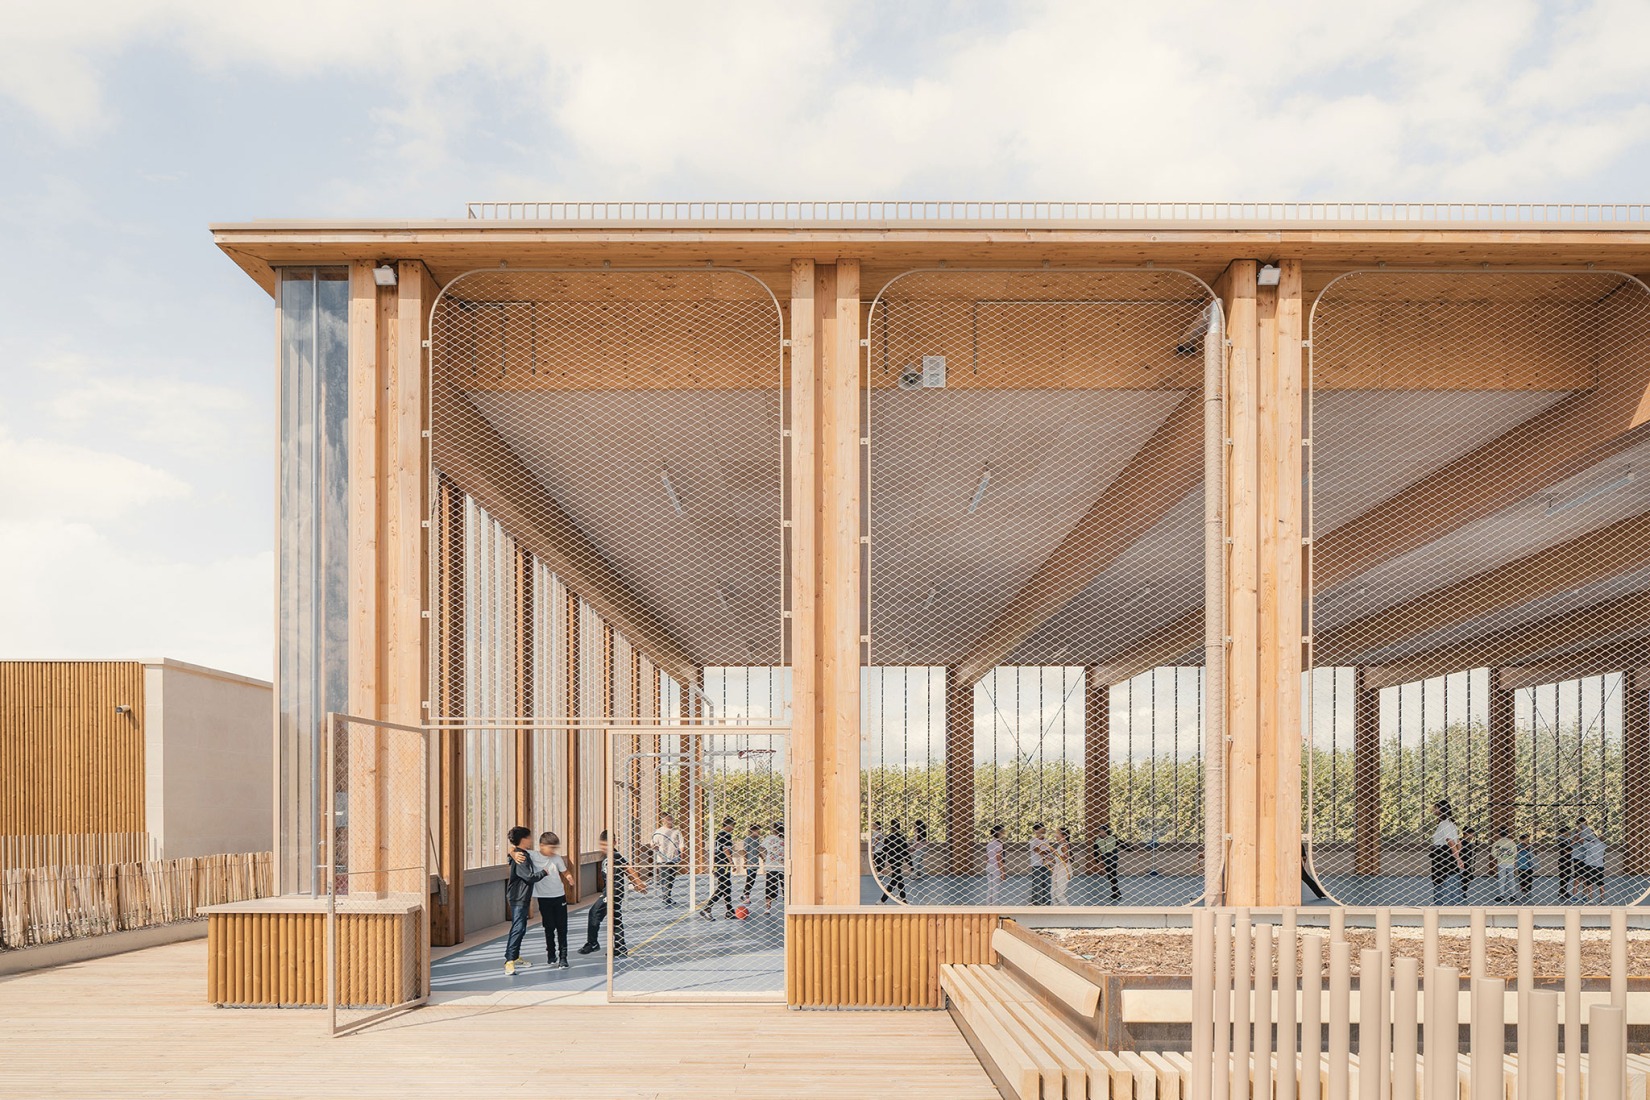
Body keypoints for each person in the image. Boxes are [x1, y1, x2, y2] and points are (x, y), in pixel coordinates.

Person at [579, 829, 647, 957]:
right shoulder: (606, 856)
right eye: (603, 845)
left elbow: (628, 869)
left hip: (613, 891)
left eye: (608, 844)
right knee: (615, 917)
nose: (605, 847)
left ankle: (592, 943)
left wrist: (638, 883)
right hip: (612, 890)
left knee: (594, 912)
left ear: (615, 842)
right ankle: (621, 946)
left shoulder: (615, 855)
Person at [503, 825, 548, 975]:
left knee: (520, 927)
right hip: (518, 896)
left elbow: (511, 853)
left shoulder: (520, 853)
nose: (531, 840)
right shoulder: (520, 856)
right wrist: (544, 872)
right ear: (523, 839)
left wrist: (511, 852)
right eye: (529, 837)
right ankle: (509, 960)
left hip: (522, 895)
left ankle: (514, 957)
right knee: (518, 927)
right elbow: (529, 877)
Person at [531, 831, 576, 968]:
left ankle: (563, 957)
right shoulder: (533, 855)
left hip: (559, 896)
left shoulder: (556, 859)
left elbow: (565, 871)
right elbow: (513, 850)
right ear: (541, 845)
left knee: (562, 927)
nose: (553, 851)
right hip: (544, 898)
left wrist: (569, 878)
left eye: (555, 848)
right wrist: (514, 854)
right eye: (550, 848)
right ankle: (551, 954)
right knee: (548, 927)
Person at [700, 816, 737, 920]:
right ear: (729, 825)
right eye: (733, 826)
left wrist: (714, 864)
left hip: (718, 864)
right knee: (723, 887)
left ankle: (729, 911)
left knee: (727, 887)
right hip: (723, 865)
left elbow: (715, 851)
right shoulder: (726, 835)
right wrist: (732, 863)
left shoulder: (719, 835)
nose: (733, 828)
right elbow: (726, 849)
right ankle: (707, 909)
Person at [1429, 801, 1464, 906]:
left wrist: (1457, 858)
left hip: (1442, 854)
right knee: (1452, 877)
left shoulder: (1444, 824)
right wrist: (1457, 855)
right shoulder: (1451, 823)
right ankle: (1452, 902)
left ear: (1440, 809)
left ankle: (1440, 904)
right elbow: (1458, 843)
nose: (1434, 810)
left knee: (1440, 880)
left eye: (1435, 808)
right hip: (1449, 854)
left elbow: (1451, 841)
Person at [650, 813, 684, 906]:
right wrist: (654, 847)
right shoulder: (658, 831)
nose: (670, 821)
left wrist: (681, 854)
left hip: (673, 858)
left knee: (671, 878)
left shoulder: (676, 831)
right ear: (663, 821)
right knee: (665, 877)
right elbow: (653, 844)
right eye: (667, 819)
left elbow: (681, 843)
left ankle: (667, 895)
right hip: (663, 858)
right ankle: (666, 897)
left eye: (671, 819)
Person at [879, 819, 911, 903]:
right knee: (897, 878)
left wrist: (881, 865)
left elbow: (884, 851)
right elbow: (905, 851)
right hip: (899, 860)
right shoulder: (901, 837)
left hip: (892, 860)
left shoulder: (888, 837)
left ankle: (902, 899)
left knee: (897, 877)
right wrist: (910, 863)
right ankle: (883, 900)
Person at [1577, 819, 1606, 903]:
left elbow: (1580, 840)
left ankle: (1590, 898)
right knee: (1600, 883)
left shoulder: (1590, 845)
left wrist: (1579, 832)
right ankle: (1602, 899)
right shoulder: (1603, 845)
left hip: (1590, 865)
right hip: (1600, 866)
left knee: (1590, 883)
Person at [1093, 823, 1123, 901]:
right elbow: (1095, 852)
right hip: (1105, 858)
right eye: (1099, 831)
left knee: (1112, 875)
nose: (1100, 833)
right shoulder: (1097, 840)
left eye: (1102, 831)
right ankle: (1116, 892)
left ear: (1106, 831)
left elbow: (1122, 844)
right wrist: (1098, 862)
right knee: (1111, 876)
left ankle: (1116, 893)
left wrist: (1130, 848)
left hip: (1113, 857)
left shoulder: (1113, 838)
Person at [760, 821, 785, 914]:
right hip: (783, 866)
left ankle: (768, 908)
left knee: (770, 887)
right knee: (785, 887)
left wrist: (764, 858)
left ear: (774, 829)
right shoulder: (786, 839)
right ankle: (787, 905)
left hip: (771, 866)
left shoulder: (769, 838)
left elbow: (761, 848)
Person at [1028, 823, 1054, 906]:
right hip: (1037, 864)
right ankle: (1034, 902)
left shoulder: (1046, 840)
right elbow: (1037, 850)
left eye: (1044, 828)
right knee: (1037, 883)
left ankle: (1046, 902)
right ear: (1036, 831)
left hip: (1046, 864)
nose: (1044, 830)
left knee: (1047, 883)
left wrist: (1050, 859)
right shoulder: (1033, 840)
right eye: (1042, 829)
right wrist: (1044, 853)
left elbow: (1048, 851)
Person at [1492, 827, 1517, 903]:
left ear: (1499, 833)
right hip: (1510, 863)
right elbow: (1515, 853)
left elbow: (1493, 853)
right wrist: (1511, 858)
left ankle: (1501, 895)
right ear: (1508, 833)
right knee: (1511, 878)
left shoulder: (1497, 843)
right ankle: (1513, 895)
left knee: (1501, 879)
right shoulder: (1512, 842)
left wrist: (1500, 857)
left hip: (1501, 862)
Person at [984, 823, 1007, 905]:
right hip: (996, 867)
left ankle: (988, 905)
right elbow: (999, 858)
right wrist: (1003, 871)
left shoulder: (989, 844)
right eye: (1003, 831)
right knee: (996, 888)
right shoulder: (999, 844)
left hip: (989, 866)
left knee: (990, 887)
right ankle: (995, 906)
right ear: (999, 833)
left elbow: (987, 857)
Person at [1051, 826, 1073, 905]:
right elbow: (1057, 860)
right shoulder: (1060, 846)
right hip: (1058, 869)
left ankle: (1068, 912)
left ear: (1064, 836)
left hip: (1063, 870)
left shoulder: (1064, 846)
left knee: (1059, 894)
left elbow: (1065, 859)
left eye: (1058, 834)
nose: (1056, 835)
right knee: (1053, 893)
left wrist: (1055, 852)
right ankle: (1054, 911)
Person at [741, 823, 762, 904]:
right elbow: (744, 851)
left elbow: (757, 850)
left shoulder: (757, 839)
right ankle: (745, 896)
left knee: (752, 880)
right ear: (753, 831)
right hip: (750, 863)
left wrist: (762, 858)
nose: (759, 832)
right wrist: (745, 862)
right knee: (749, 880)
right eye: (757, 831)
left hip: (755, 863)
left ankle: (746, 895)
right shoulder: (748, 839)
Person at [1459, 826, 1479, 902]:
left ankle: (1463, 891)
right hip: (1462, 863)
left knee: (1469, 877)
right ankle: (1461, 892)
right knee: (1463, 877)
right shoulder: (1460, 841)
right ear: (1466, 834)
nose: (1472, 836)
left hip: (1467, 863)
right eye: (1471, 834)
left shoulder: (1468, 843)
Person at [1516, 833, 1537, 899]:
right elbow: (1516, 851)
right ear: (1521, 839)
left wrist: (1533, 850)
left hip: (1529, 864)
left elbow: (1534, 853)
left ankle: (1528, 890)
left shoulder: (1530, 845)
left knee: (1529, 878)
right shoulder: (1518, 845)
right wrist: (1524, 847)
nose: (1527, 840)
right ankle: (1523, 890)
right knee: (1522, 878)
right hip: (1521, 865)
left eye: (1528, 839)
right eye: (1526, 839)